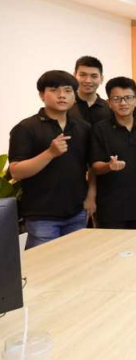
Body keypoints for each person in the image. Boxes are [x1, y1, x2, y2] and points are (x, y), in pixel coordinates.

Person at [9, 70, 95, 247]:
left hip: (77, 211)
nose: (62, 95)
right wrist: (50, 153)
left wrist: (90, 197)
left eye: (68, 90)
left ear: (74, 96)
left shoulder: (83, 127)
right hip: (41, 217)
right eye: (54, 90)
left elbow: (91, 165)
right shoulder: (25, 128)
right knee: (45, 263)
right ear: (42, 95)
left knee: (75, 260)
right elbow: (16, 172)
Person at [90, 77, 136, 229]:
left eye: (128, 98)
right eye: (117, 99)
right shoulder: (99, 129)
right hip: (111, 206)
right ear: (109, 103)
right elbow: (95, 166)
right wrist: (109, 166)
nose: (123, 103)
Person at [70, 56, 111, 125]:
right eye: (83, 75)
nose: (88, 81)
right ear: (74, 76)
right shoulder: (65, 105)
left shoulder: (109, 108)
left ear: (101, 79)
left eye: (94, 76)